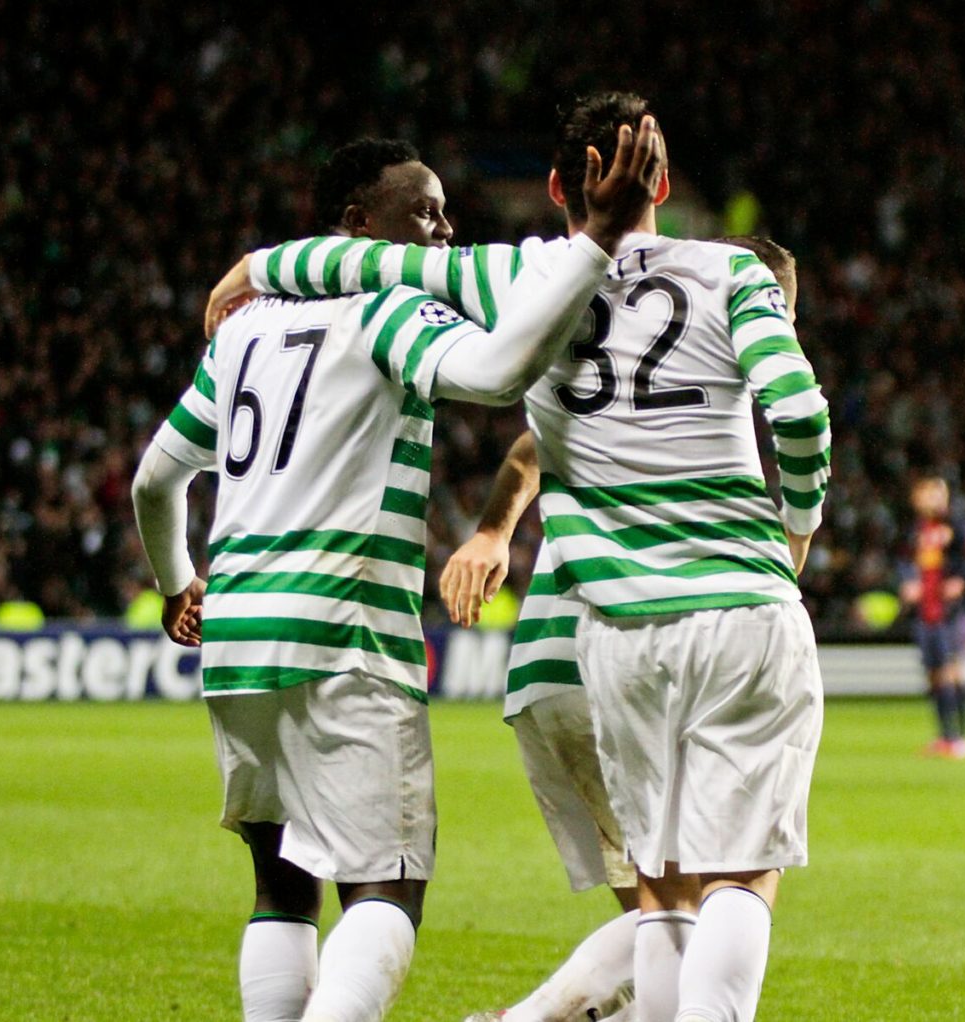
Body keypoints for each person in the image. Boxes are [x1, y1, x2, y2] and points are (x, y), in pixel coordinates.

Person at [205, 91, 830, 1022]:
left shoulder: (512, 275)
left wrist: (257, 264)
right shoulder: (731, 271)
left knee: (662, 892)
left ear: (555, 187)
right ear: (663, 184)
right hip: (740, 609)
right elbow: (801, 413)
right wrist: (797, 528)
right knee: (741, 877)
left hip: (616, 637)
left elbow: (366, 260)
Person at [132, 122, 662, 1022]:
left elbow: (156, 479)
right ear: (359, 223)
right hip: (346, 635)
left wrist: (179, 581)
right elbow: (498, 375)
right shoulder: (389, 310)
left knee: (280, 883)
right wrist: (592, 255)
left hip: (236, 638)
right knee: (386, 889)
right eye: (424, 214)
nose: (444, 232)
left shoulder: (243, 329)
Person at [435, 236, 801, 1022]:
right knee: (708, 891)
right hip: (625, 648)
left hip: (549, 673)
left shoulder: (609, 381)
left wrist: (493, 531)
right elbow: (803, 420)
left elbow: (529, 448)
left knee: (665, 903)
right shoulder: (708, 395)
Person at [898, 475, 965, 759]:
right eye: (926, 493)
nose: (931, 499)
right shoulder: (915, 531)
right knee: (935, 675)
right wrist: (908, 581)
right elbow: (903, 560)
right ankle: (945, 737)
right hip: (926, 613)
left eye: (936, 493)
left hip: (951, 612)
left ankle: (959, 739)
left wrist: (962, 579)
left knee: (953, 671)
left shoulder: (958, 525)